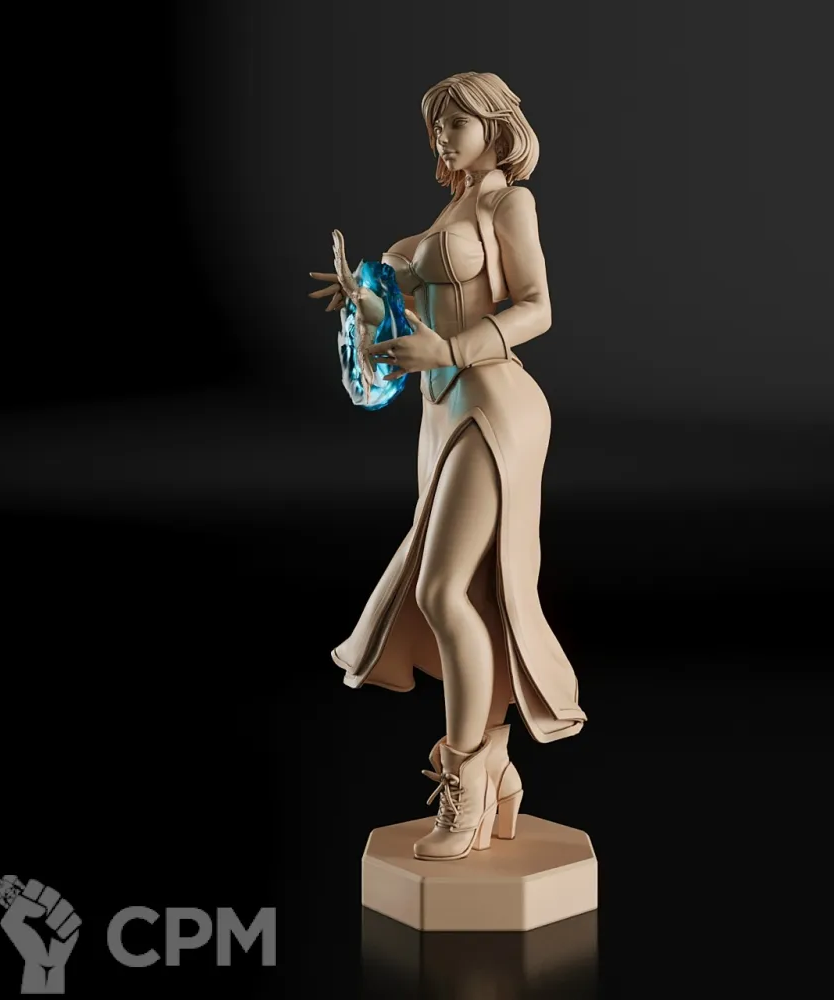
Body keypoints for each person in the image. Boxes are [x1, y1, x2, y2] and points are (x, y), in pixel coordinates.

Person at [310, 72, 585, 861]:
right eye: (435, 124)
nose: (441, 136)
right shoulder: (450, 212)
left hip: (494, 404)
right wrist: (368, 307)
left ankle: (465, 779)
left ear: (496, 127)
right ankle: (496, 768)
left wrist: (454, 349)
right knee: (472, 595)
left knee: (440, 589)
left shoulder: (508, 204)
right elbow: (408, 321)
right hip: (442, 414)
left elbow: (537, 306)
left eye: (455, 122)